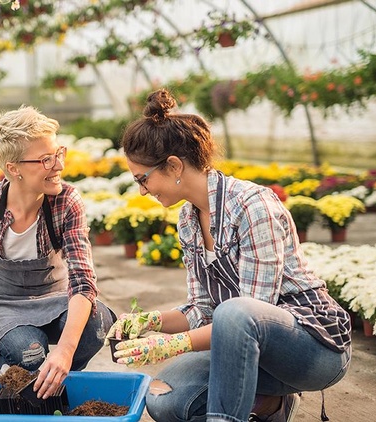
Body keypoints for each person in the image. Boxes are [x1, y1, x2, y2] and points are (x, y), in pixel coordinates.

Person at [106, 89, 351, 422]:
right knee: (165, 399)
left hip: (311, 348)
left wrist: (173, 344)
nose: (142, 191)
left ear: (174, 165)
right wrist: (153, 322)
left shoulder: (253, 207)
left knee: (236, 313)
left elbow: (249, 314)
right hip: (245, 350)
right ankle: (269, 406)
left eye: (143, 179)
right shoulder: (189, 219)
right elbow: (204, 308)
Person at [0, 105, 114, 400]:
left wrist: (64, 352)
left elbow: (83, 283)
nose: (58, 166)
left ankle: (53, 384)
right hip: (1, 302)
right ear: (14, 169)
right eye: (46, 159)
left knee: (96, 324)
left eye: (58, 153)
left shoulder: (66, 201)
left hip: (55, 296)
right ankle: (35, 386)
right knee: (29, 353)